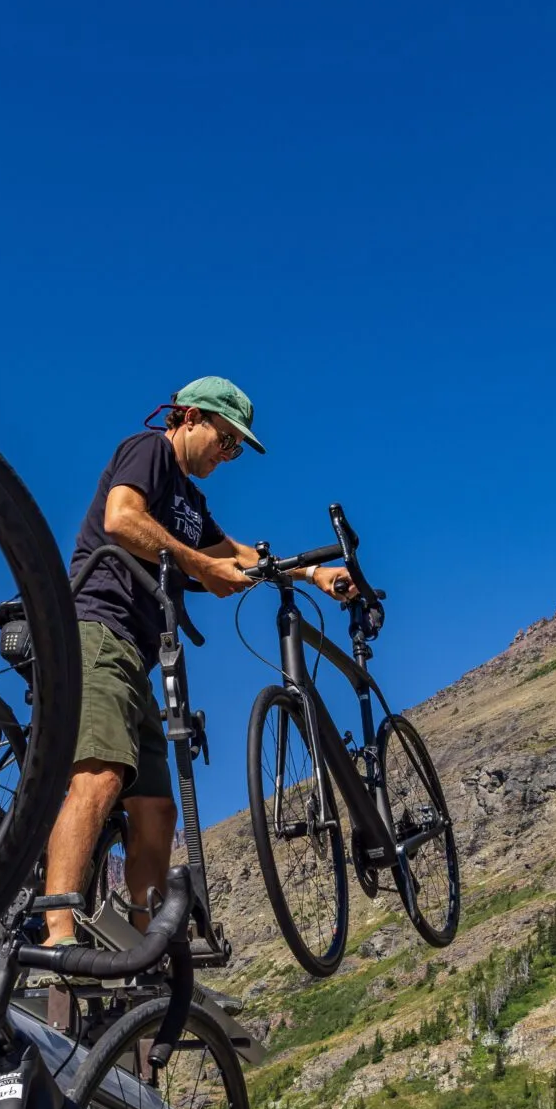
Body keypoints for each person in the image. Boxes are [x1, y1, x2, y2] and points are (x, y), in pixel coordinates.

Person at [41, 377, 352, 947]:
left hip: (138, 652)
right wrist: (198, 567)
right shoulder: (149, 451)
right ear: (189, 418)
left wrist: (312, 574)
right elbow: (121, 518)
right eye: (225, 440)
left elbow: (238, 555)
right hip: (96, 629)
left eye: (235, 449)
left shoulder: (192, 504)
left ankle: (138, 949)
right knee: (100, 774)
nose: (226, 455)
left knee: (157, 810)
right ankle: (57, 929)